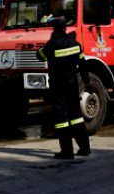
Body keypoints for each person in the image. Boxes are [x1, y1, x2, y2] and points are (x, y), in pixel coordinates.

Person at [37, 17, 92, 159]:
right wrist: (87, 82)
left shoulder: (52, 45)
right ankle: (85, 148)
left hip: (58, 87)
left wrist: (50, 41)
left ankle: (67, 151)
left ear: (54, 30)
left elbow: (40, 56)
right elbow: (83, 65)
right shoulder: (75, 44)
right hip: (72, 85)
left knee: (61, 119)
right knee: (76, 117)